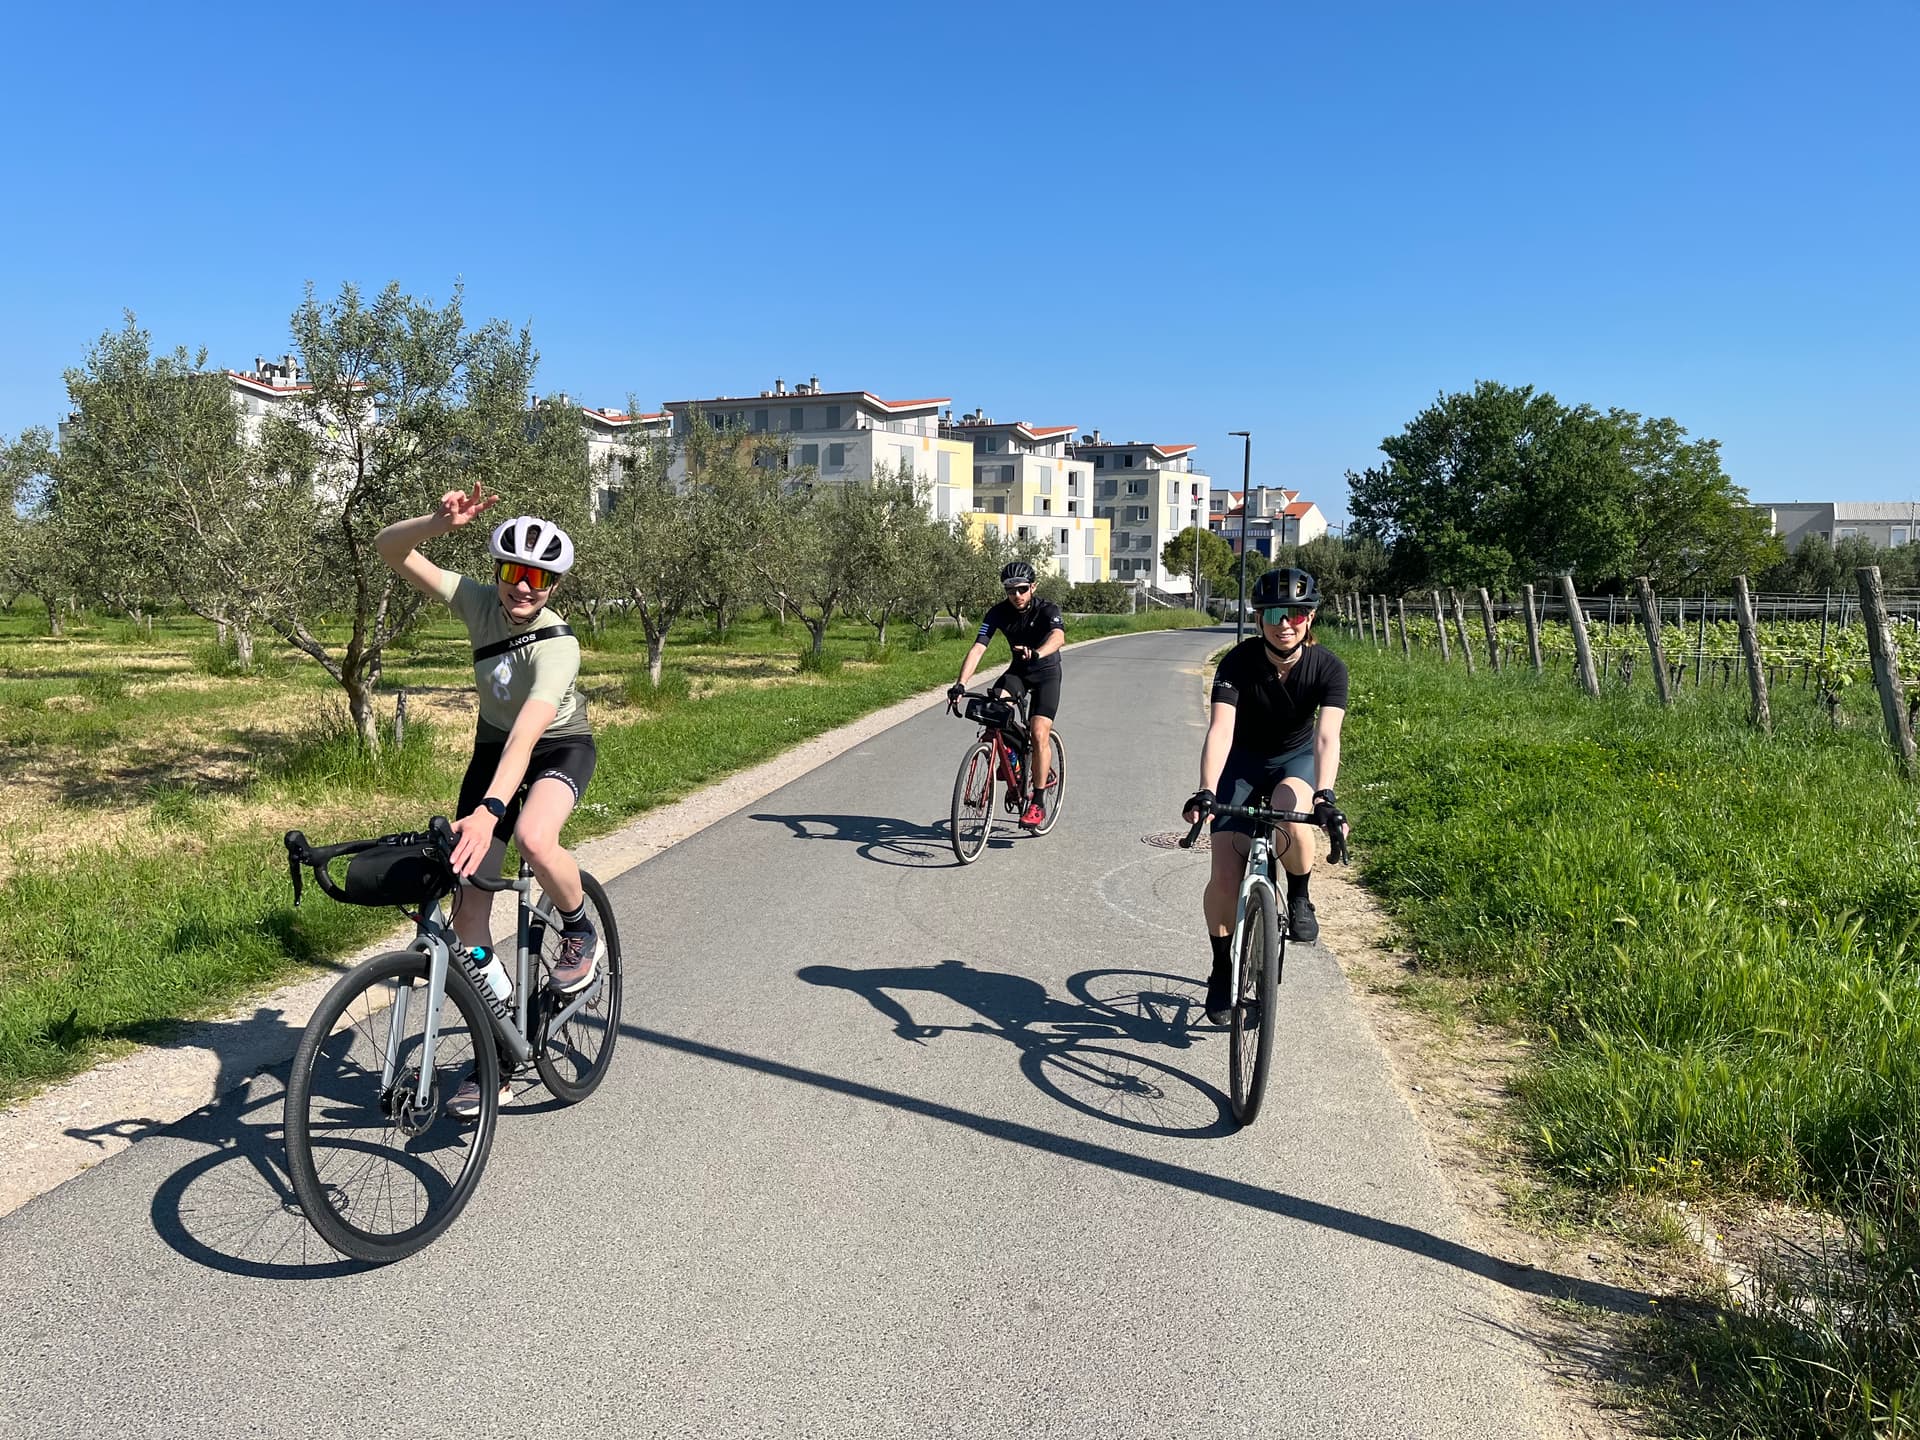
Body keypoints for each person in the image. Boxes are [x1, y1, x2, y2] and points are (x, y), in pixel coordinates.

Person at [375, 484, 601, 1117]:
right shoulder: (478, 602)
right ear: (498, 571)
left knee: (533, 838)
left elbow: (530, 731)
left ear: (553, 585)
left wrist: (492, 810)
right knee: (469, 919)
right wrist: (435, 522)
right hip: (490, 750)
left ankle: (580, 928)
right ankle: (497, 1054)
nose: (522, 587)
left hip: (558, 747)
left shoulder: (559, 645)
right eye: (513, 572)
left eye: (538, 577)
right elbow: (391, 551)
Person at [1182, 566, 1348, 1023]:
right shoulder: (1237, 662)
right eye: (1274, 612)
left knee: (1293, 810)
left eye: (1296, 612)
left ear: (1309, 618)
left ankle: (1298, 894)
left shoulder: (1328, 667)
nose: (1285, 622)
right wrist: (1206, 791)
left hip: (1293, 760)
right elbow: (1220, 729)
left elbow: (1327, 738)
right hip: (1242, 763)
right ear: (1259, 619)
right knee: (1223, 875)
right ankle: (1221, 967)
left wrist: (1326, 796)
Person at [949, 560, 1064, 828]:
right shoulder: (998, 612)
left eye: (1022, 589)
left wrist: (1038, 653)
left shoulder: (1047, 609)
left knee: (1038, 732)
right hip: (1019, 672)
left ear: (1033, 587)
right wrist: (961, 683)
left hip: (1046, 672)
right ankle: (1012, 755)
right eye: (1011, 590)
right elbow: (979, 647)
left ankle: (1037, 801)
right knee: (993, 709)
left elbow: (1058, 637)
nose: (1017, 596)